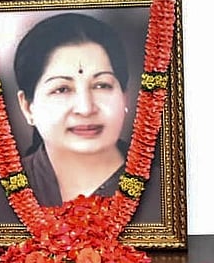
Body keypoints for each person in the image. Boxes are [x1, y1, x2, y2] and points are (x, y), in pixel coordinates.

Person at [13, 13, 131, 206]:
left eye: (101, 85)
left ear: (124, 97)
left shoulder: (164, 189)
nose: (85, 109)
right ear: (27, 107)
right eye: (62, 89)